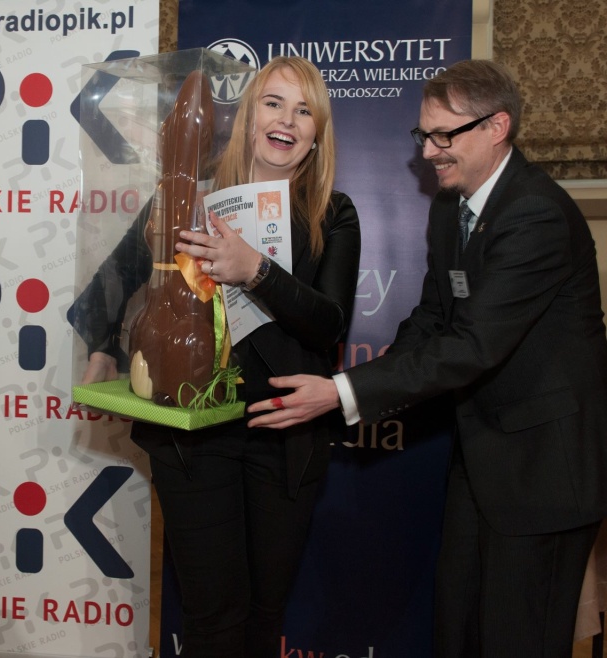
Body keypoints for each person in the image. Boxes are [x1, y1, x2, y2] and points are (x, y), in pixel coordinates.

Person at [251, 59, 607, 657]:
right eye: (424, 135)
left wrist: (343, 392)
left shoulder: (535, 214)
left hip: (544, 472)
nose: (430, 152)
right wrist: (373, 373)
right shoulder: (452, 207)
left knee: (517, 640)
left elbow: (474, 344)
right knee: (458, 631)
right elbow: (435, 318)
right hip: (485, 459)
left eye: (446, 136)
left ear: (497, 128)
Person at [68, 56, 361, 658]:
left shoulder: (333, 214)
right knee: (211, 616)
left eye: (305, 110)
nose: (287, 120)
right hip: (194, 434)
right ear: (249, 115)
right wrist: (101, 348)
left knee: (262, 614)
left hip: (284, 433)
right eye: (274, 103)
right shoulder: (191, 195)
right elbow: (118, 276)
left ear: (317, 133)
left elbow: (329, 322)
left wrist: (256, 271)